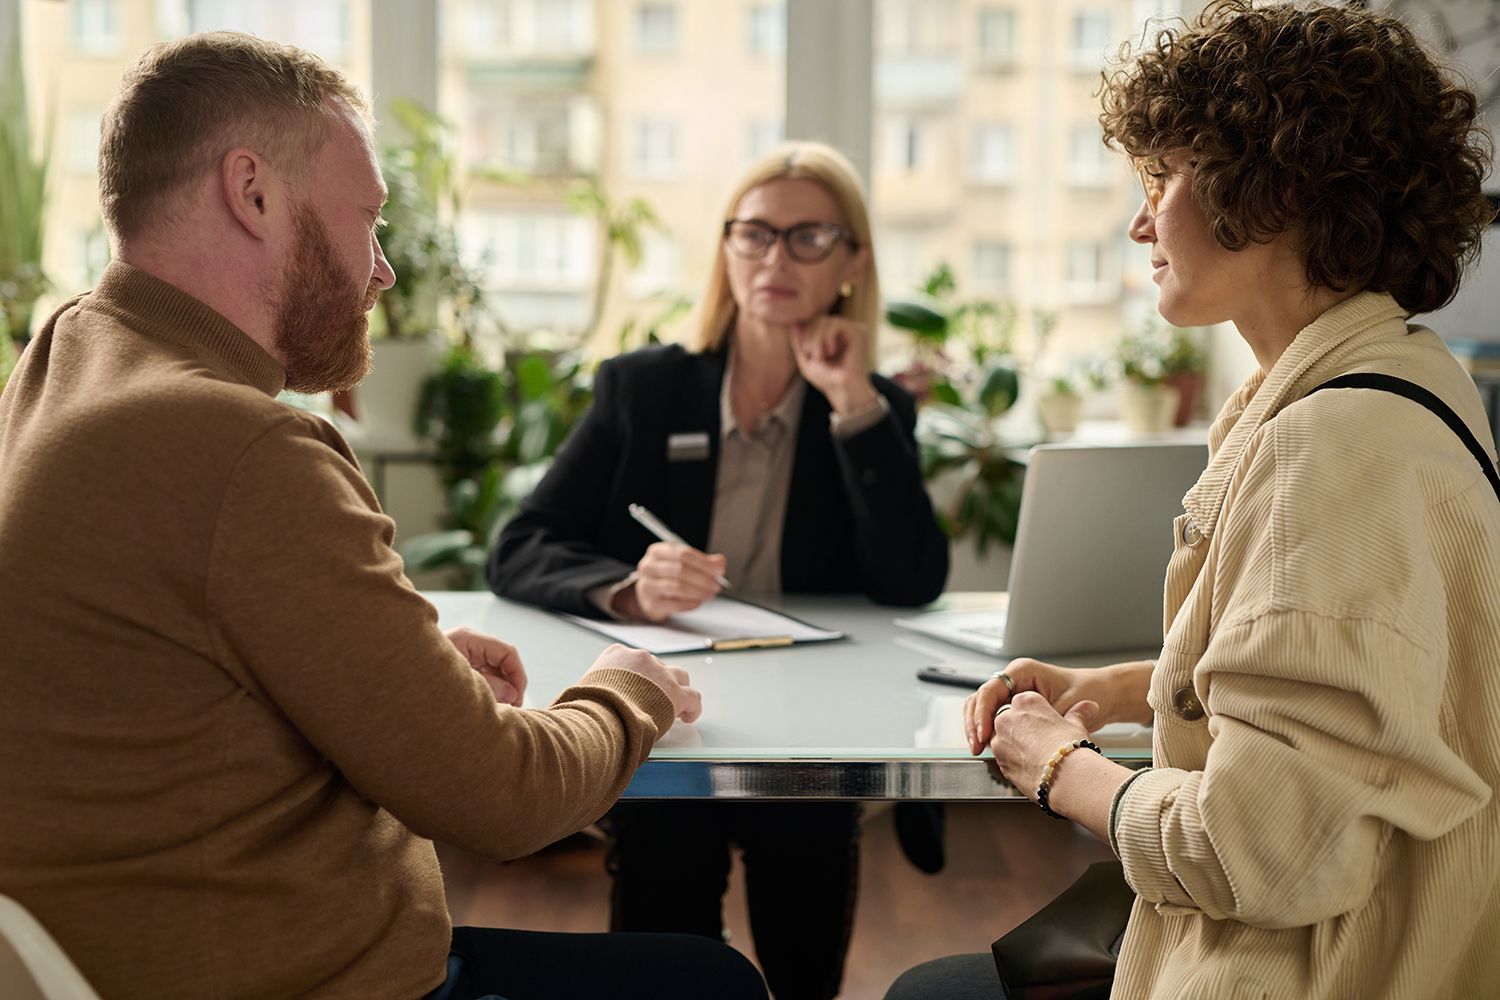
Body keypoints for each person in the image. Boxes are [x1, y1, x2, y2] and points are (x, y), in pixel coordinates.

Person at [0, 32, 769, 1000]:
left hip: (129, 945)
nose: (383, 271)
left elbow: (168, 652)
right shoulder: (237, 445)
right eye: (368, 220)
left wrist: (403, 667)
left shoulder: (72, 351)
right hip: (290, 977)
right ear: (254, 192)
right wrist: (631, 686)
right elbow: (505, 796)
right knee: (713, 983)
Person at [887, 2, 1500, 998]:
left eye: (1162, 178)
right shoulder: (1397, 379)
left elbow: (1261, 853)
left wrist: (1058, 765)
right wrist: (1118, 687)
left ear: (1279, 190)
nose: (1138, 223)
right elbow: (1335, 687)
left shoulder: (1327, 453)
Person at [487, 141, 950, 999]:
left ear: (853, 261)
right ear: (727, 248)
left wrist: (853, 405)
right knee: (668, 953)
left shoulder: (873, 406)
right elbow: (520, 544)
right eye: (755, 234)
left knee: (804, 946)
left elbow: (909, 577)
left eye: (809, 237)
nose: (776, 258)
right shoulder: (645, 389)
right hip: (677, 711)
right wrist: (627, 588)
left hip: (813, 720)